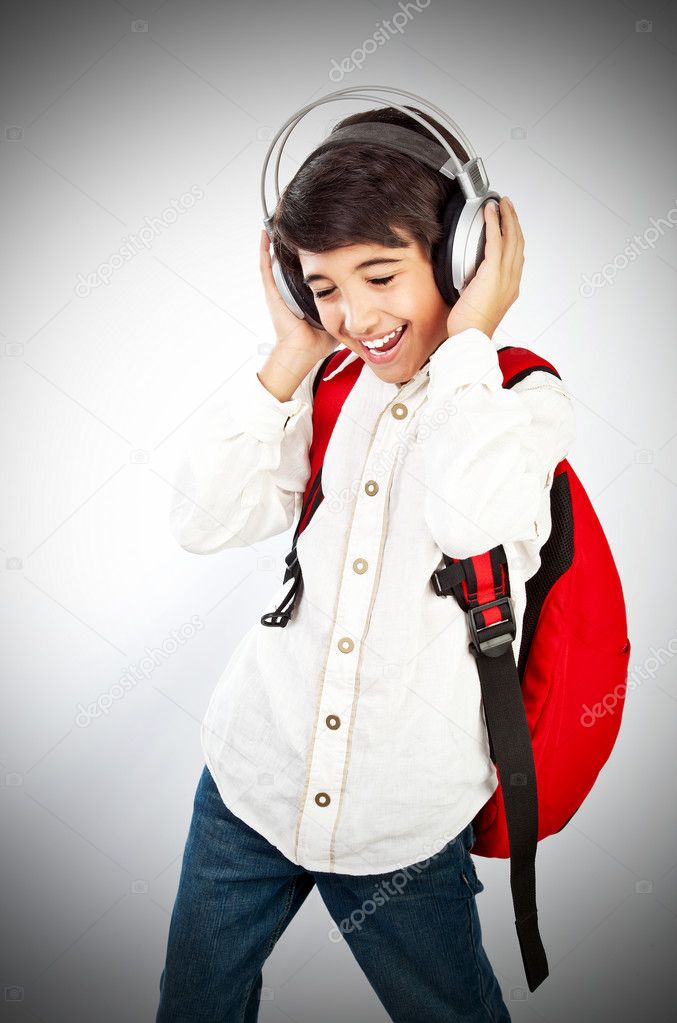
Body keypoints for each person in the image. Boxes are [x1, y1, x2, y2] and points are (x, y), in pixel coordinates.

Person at [156, 105, 575, 1022]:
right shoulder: (327, 378)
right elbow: (202, 520)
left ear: (460, 257)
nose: (357, 316)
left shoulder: (517, 398)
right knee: (192, 1004)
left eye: (379, 275)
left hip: (402, 819)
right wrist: (292, 352)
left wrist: (470, 338)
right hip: (251, 783)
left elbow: (469, 518)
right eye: (325, 288)